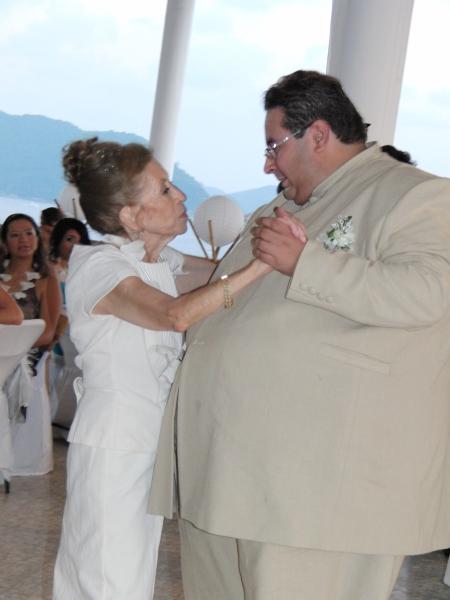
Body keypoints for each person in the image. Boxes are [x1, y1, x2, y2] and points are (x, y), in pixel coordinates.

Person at [149, 70, 450, 600]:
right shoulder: (278, 208)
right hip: (228, 473)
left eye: (274, 146)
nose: (267, 164)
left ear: (318, 135)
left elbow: (429, 293)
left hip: (318, 491)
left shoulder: (416, 195)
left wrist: (306, 262)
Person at [53, 137, 271, 600]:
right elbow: (175, 315)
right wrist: (261, 267)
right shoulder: (99, 265)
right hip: (114, 444)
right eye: (166, 189)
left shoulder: (158, 260)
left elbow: (216, 275)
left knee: (130, 577)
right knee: (106, 578)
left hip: (148, 442)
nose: (181, 196)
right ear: (131, 216)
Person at [0, 213, 61, 371]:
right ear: (5, 241)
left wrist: (9, 347)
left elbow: (48, 333)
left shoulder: (47, 279)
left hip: (24, 359)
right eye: (15, 235)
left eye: (29, 233)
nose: (23, 240)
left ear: (37, 238)